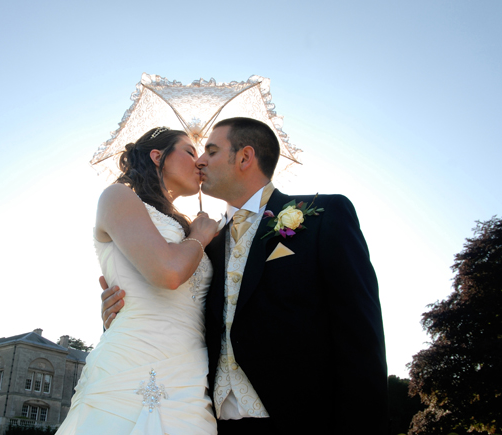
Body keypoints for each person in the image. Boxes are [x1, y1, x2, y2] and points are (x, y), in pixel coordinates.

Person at [101, 118, 389, 434]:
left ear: (244, 157)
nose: (200, 161)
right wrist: (118, 308)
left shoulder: (325, 216)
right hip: (208, 421)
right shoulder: (202, 246)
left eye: (210, 151)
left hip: (302, 419)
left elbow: (360, 335)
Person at [57, 127, 220, 435]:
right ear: (157, 156)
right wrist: (199, 237)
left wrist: (198, 234)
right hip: (131, 362)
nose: (199, 161)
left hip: (190, 374)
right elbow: (168, 272)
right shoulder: (118, 196)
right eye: (189, 151)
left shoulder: (189, 227)